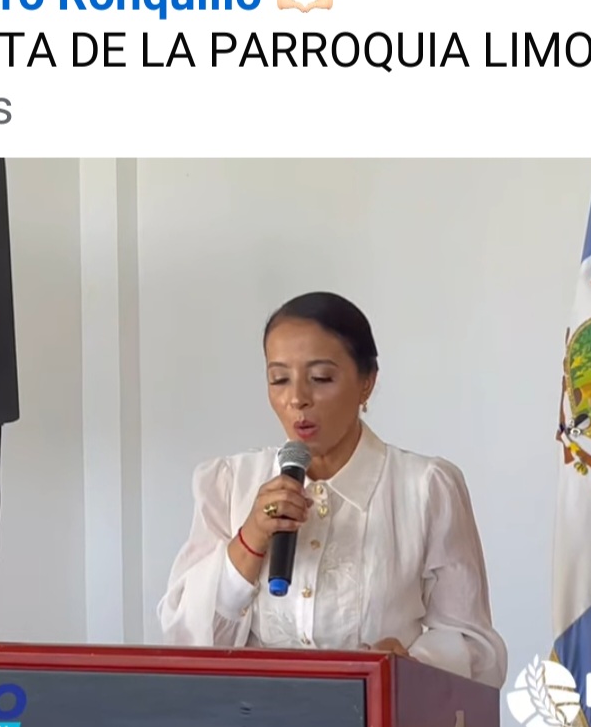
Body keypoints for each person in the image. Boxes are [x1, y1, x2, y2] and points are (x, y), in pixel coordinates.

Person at [156, 291, 508, 688]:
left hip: (378, 720)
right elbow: (184, 640)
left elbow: (475, 647)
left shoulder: (426, 489)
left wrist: (409, 665)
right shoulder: (229, 483)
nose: (297, 399)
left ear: (366, 383)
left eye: (321, 378)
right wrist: (250, 539)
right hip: (253, 718)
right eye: (279, 379)